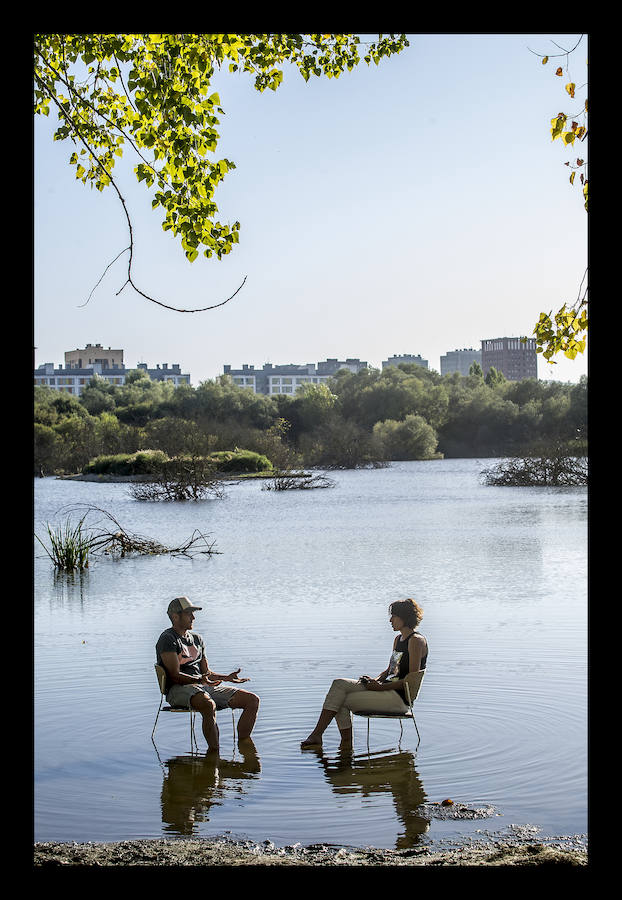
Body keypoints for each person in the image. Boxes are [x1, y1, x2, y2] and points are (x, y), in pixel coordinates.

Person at [301, 599, 428, 749]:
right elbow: (390, 670)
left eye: (394, 616)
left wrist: (379, 688)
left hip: (399, 699)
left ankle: (335, 743)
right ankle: (340, 744)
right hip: (386, 690)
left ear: (404, 617)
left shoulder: (416, 641)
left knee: (338, 700)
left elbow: (410, 681)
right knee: (339, 684)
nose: (390, 620)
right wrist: (373, 681)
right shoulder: (398, 639)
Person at [156, 596, 260, 752]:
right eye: (189, 613)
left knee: (252, 700)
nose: (193, 617)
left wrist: (226, 678)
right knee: (208, 704)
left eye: (193, 613)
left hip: (201, 687)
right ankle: (214, 753)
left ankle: (244, 748)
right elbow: (174, 675)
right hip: (177, 690)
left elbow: (206, 673)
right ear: (175, 617)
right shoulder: (168, 639)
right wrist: (200, 679)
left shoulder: (197, 639)